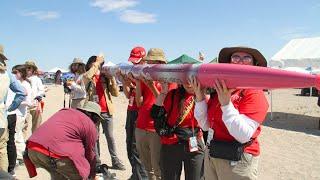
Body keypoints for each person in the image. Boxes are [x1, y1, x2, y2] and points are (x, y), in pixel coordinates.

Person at [191, 46, 269, 180]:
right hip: (213, 153)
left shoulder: (254, 93)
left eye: (246, 58)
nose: (240, 61)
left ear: (254, 65)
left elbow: (243, 135)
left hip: (237, 160)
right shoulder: (221, 90)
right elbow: (205, 125)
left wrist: (226, 104)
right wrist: (199, 97)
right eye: (236, 57)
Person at [26, 101, 101, 179]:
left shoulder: (65, 112)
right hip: (54, 153)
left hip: (32, 148)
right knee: (80, 175)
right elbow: (90, 153)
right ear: (95, 117)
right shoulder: (89, 124)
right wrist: (92, 174)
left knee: (59, 175)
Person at [135, 48, 176, 180]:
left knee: (158, 168)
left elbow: (165, 106)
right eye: (149, 62)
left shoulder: (170, 79)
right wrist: (137, 82)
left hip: (155, 129)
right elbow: (139, 103)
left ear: (161, 63)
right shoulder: (147, 76)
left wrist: (152, 87)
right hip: (141, 126)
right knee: (148, 167)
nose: (149, 65)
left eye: (152, 62)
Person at [151, 81, 205, 180]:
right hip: (172, 142)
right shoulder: (173, 94)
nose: (188, 84)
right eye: (186, 80)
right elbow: (156, 113)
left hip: (194, 143)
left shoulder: (205, 97)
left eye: (192, 80)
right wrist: (163, 93)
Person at [85, 55, 125, 170]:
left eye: (98, 63)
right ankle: (96, 162)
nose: (96, 65)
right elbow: (87, 77)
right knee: (95, 137)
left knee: (110, 137)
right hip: (93, 112)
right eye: (94, 63)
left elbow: (116, 94)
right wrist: (96, 65)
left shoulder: (104, 77)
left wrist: (111, 78)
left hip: (107, 111)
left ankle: (115, 160)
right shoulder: (88, 76)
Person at [119, 46, 148, 179]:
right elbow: (127, 94)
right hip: (131, 111)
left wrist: (136, 84)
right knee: (129, 144)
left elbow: (140, 100)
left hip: (139, 113)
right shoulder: (133, 72)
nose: (134, 63)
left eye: (137, 61)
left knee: (137, 148)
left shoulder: (145, 73)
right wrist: (125, 81)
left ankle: (141, 176)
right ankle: (135, 173)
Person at [0, 44, 26, 173]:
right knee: (2, 148)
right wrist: (10, 108)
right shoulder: (6, 75)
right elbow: (21, 92)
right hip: (2, 117)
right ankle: (5, 175)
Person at [11, 65, 33, 167]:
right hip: (19, 113)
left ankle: (17, 158)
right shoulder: (22, 83)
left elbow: (28, 102)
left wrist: (16, 103)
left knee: (15, 136)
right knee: (18, 136)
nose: (14, 75)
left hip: (19, 113)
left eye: (16, 73)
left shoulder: (24, 84)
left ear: (22, 73)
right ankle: (23, 156)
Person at [24, 60, 45, 133]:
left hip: (35, 104)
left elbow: (41, 90)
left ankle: (33, 141)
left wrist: (37, 96)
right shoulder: (21, 79)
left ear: (33, 69)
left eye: (30, 68)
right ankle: (22, 142)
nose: (28, 69)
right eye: (26, 67)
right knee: (23, 125)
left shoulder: (37, 79)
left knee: (37, 125)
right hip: (25, 105)